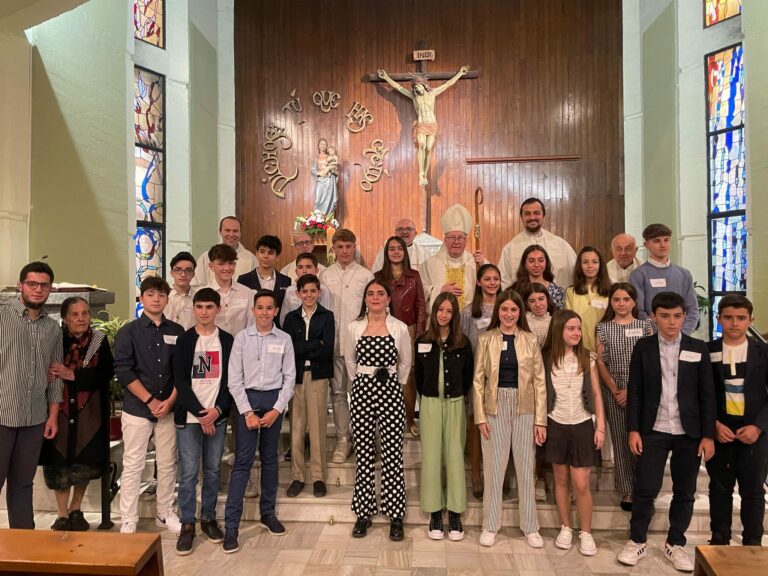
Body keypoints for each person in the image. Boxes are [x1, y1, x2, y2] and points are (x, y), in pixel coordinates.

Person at [618, 292, 715, 572]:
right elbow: (635, 391)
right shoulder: (643, 348)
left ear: (684, 316)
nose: (671, 322)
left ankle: (675, 543)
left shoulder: (698, 348)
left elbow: (707, 394)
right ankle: (637, 540)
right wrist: (634, 430)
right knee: (645, 489)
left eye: (676, 316)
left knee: (684, 492)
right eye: (665, 316)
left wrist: (707, 435)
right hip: (654, 428)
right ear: (653, 317)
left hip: (689, 431)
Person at [473, 289, 546, 549]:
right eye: (504, 309)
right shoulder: (486, 339)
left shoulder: (529, 339)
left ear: (520, 312)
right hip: (494, 408)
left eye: (514, 310)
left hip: (525, 407)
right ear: (498, 312)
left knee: (526, 469)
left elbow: (539, 381)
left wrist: (540, 421)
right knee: (494, 468)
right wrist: (480, 416)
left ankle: (531, 527)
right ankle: (490, 525)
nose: (508, 314)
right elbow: (478, 381)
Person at [224, 290, 296, 552]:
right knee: (242, 461)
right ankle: (231, 526)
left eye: (269, 308)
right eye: (260, 308)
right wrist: (247, 412)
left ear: (276, 311)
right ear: (253, 310)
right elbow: (234, 379)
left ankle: (268, 513)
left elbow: (289, 378)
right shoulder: (242, 339)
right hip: (247, 402)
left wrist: (277, 409)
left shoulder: (285, 339)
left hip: (273, 402)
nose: (264, 312)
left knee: (270, 459)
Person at [114, 276, 185, 535]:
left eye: (162, 295)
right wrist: (151, 400)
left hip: (168, 409)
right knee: (133, 464)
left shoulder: (177, 332)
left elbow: (182, 372)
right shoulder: (128, 331)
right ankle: (129, 519)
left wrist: (169, 401)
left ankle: (164, 513)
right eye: (151, 294)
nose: (157, 299)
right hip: (137, 409)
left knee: (167, 464)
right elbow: (123, 371)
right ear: (142, 298)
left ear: (167, 299)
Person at [345, 279, 412, 541]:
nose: (375, 297)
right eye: (370, 293)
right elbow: (350, 360)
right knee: (363, 454)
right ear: (365, 298)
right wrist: (364, 380)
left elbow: (405, 363)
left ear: (388, 299)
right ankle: (364, 512)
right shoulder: (353, 328)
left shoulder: (400, 328)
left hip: (391, 393)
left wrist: (391, 383)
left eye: (380, 293)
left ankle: (395, 515)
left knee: (393, 454)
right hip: (362, 393)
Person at [40, 297, 114, 532]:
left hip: (89, 410)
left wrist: (73, 375)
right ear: (64, 318)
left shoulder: (99, 341)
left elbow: (106, 373)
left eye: (85, 313)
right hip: (57, 408)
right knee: (58, 461)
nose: (81, 318)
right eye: (75, 314)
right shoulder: (53, 339)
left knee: (84, 460)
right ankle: (62, 514)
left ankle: (76, 509)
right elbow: (43, 367)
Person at [0, 262, 62, 529]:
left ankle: (23, 544)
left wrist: (52, 416)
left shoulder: (52, 328)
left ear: (50, 289)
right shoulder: (2, 317)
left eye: (44, 285)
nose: (38, 290)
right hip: (2, 415)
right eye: (32, 284)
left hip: (35, 419)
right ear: (20, 286)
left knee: (23, 484)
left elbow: (56, 374)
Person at [173, 288, 234, 555]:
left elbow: (232, 381)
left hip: (216, 417)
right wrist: (200, 413)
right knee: (188, 473)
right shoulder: (185, 341)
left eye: (210, 307)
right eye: (199, 307)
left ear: (218, 309)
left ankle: (208, 518)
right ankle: (188, 523)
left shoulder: (228, 341)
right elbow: (180, 382)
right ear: (194, 309)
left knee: (211, 470)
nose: (204, 312)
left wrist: (217, 411)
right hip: (189, 418)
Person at [706, 295, 768, 546]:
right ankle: (719, 542)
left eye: (741, 318)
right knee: (719, 490)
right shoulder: (707, 351)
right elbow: (700, 394)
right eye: (728, 317)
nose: (734, 323)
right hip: (721, 430)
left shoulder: (763, 351)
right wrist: (713, 425)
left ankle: (752, 543)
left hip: (754, 431)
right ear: (719, 319)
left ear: (750, 320)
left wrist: (759, 426)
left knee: (753, 492)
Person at [543, 309, 606, 556]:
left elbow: (597, 394)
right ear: (559, 330)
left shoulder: (587, 358)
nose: (576, 333)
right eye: (571, 328)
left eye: (579, 328)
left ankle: (586, 532)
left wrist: (600, 426)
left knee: (580, 484)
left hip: (582, 423)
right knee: (560, 480)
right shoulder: (547, 357)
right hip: (556, 422)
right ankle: (566, 526)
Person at [415, 293, 474, 541]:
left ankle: (455, 512)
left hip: (455, 403)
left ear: (454, 315)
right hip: (430, 403)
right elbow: (417, 375)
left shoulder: (463, 342)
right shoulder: (423, 340)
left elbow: (468, 375)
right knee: (431, 456)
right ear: (434, 311)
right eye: (440, 309)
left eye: (449, 311)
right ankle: (436, 512)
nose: (444, 315)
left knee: (454, 456)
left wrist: (457, 396)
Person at [595, 283, 653, 510]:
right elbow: (600, 361)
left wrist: (632, 390)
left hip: (643, 391)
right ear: (611, 302)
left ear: (634, 302)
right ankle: (628, 490)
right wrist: (615, 389)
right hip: (615, 391)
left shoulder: (646, 325)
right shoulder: (603, 328)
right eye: (617, 299)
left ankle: (645, 489)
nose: (621, 304)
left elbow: (651, 359)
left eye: (626, 299)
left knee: (644, 441)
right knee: (621, 441)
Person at [320, 229, 374, 463]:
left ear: (355, 247)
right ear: (333, 249)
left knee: (362, 395)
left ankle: (365, 440)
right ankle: (343, 439)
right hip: (333, 343)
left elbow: (373, 309)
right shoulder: (325, 275)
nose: (344, 251)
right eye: (340, 247)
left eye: (348, 246)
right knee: (338, 393)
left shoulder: (365, 275)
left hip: (359, 345)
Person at [282, 274, 335, 499]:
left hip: (318, 376)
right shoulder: (291, 318)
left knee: (317, 426)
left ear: (319, 293)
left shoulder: (327, 316)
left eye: (313, 291)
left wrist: (306, 346)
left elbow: (327, 348)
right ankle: (297, 476)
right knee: (296, 427)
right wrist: (315, 344)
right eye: (305, 291)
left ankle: (318, 477)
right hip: (295, 376)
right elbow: (288, 348)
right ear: (298, 294)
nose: (309, 295)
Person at [377, 66, 469, 186]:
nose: (416, 89)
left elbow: (448, 84)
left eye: (418, 86)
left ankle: (425, 172)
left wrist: (460, 74)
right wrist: (386, 77)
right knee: (421, 145)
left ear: (423, 85)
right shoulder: (414, 96)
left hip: (432, 124)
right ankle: (421, 174)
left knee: (429, 148)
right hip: (421, 124)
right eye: (415, 87)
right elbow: (397, 87)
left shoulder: (433, 93)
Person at [375, 235, 426, 437]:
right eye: (392, 249)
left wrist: (420, 332)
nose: (396, 252)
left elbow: (420, 304)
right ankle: (387, 420)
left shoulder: (414, 276)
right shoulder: (379, 277)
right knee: (385, 374)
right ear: (386, 253)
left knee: (409, 377)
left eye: (399, 249)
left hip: (409, 329)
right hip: (384, 329)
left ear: (405, 253)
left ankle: (409, 420)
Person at [460, 263, 501, 499]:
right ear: (478, 282)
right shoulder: (468, 312)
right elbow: (464, 346)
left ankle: (497, 475)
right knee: (476, 429)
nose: (492, 283)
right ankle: (476, 475)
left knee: (499, 430)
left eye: (496, 279)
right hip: (476, 379)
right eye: (487, 279)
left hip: (501, 378)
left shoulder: (507, 308)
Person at [630, 224, 699, 335]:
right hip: (652, 336)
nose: (663, 245)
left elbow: (692, 309)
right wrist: (659, 335)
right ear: (646, 245)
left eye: (666, 240)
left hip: (681, 337)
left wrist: (683, 334)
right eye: (657, 241)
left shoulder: (684, 274)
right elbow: (639, 311)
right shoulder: (638, 275)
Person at [498, 198, 577, 289]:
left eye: (536, 213)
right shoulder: (510, 249)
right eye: (527, 214)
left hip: (556, 300)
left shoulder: (561, 245)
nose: (532, 218)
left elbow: (576, 273)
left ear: (543, 215)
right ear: (521, 217)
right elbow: (504, 282)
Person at [421, 204, 486, 310]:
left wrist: (483, 267)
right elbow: (420, 290)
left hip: (469, 321)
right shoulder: (429, 264)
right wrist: (440, 290)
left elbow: (491, 286)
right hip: (440, 320)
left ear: (466, 240)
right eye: (452, 237)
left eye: (460, 238)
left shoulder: (477, 263)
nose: (456, 242)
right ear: (445, 239)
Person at [523, 283, 553, 502]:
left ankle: (557, 478)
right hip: (528, 381)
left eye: (541, 299)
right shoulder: (523, 324)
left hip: (552, 379)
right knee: (534, 432)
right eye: (532, 301)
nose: (537, 304)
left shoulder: (556, 322)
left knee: (551, 429)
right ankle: (537, 478)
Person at [565, 246, 611, 352]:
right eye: (585, 262)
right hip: (579, 346)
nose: (590, 266)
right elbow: (569, 322)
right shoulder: (571, 291)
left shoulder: (611, 290)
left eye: (594, 262)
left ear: (600, 265)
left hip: (605, 345)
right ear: (580, 265)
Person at [204, 244, 255, 336]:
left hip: (240, 346)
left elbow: (251, 324)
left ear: (235, 265)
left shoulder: (247, 293)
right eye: (221, 264)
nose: (227, 268)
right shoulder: (203, 293)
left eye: (231, 263)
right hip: (211, 347)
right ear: (211, 266)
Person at [238, 235, 291, 321]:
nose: (265, 256)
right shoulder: (244, 280)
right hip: (251, 329)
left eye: (270, 253)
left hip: (277, 330)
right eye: (262, 251)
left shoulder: (286, 281)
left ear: (277, 257)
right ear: (256, 253)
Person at [193, 216, 257, 286]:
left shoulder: (251, 259)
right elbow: (197, 284)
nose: (231, 234)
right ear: (220, 232)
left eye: (235, 231)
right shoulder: (206, 257)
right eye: (227, 230)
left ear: (240, 233)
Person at [279, 252, 333, 326]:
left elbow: (326, 316)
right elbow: (283, 318)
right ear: (296, 271)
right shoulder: (290, 290)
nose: (304, 271)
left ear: (316, 270)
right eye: (300, 267)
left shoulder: (323, 290)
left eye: (308, 267)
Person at [510, 244, 566, 310]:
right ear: (525, 264)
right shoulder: (515, 290)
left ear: (546, 262)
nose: (536, 265)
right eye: (531, 261)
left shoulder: (557, 292)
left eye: (541, 260)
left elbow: (560, 318)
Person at [165, 251, 197, 329]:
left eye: (188, 270)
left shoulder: (198, 298)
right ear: (172, 273)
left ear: (193, 274)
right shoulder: (163, 296)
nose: (183, 274)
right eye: (178, 269)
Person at [311, 138, 339, 215]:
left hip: (329, 180)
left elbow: (336, 169)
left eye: (324, 144)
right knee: (318, 200)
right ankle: (317, 219)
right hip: (321, 180)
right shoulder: (316, 158)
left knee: (330, 201)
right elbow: (313, 170)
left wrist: (333, 171)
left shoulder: (330, 156)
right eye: (321, 144)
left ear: (327, 146)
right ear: (318, 146)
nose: (322, 145)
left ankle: (327, 220)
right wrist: (319, 173)